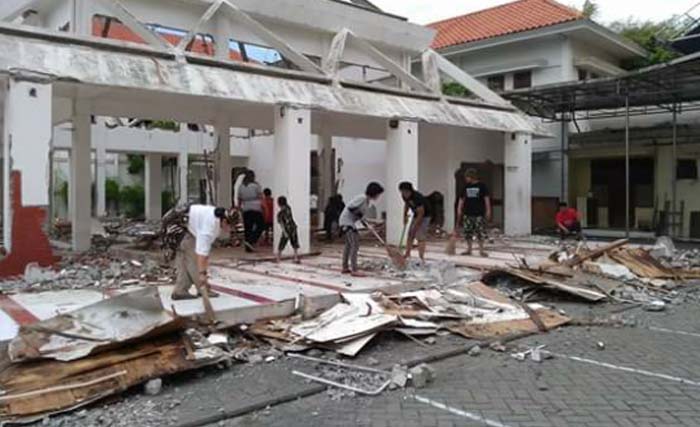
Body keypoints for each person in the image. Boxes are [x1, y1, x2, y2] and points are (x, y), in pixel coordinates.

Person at [172, 205, 233, 300]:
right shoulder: (209, 229)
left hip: (186, 225)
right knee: (194, 261)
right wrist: (202, 274)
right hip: (179, 227)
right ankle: (203, 289)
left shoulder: (217, 218)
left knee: (186, 259)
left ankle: (180, 290)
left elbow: (205, 252)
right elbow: (201, 255)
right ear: (224, 221)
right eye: (230, 227)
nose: (230, 230)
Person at [339, 182, 385, 274]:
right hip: (347, 223)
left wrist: (369, 225)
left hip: (349, 223)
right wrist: (362, 218)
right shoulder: (362, 198)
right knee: (355, 245)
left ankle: (345, 267)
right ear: (374, 193)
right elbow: (351, 208)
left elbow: (362, 218)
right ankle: (354, 270)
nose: (378, 196)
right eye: (378, 194)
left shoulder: (366, 202)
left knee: (349, 246)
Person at [456, 168, 491, 257]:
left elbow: (486, 199)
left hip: (479, 213)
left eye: (467, 177)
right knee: (468, 232)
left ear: (472, 177)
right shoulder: (466, 187)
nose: (466, 179)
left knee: (480, 232)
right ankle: (469, 249)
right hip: (467, 213)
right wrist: (459, 209)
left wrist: (488, 210)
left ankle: (481, 250)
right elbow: (461, 199)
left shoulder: (482, 186)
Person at [399, 182, 432, 263]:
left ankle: (421, 257)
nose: (404, 194)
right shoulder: (404, 196)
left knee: (420, 236)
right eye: (402, 192)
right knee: (410, 234)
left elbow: (421, 213)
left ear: (410, 191)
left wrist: (416, 227)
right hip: (416, 214)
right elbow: (406, 205)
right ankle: (407, 254)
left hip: (425, 215)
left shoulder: (417, 197)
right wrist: (405, 216)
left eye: (406, 192)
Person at [238, 170, 264, 252]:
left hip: (246, 208)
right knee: (261, 225)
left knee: (248, 228)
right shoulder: (256, 185)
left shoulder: (241, 186)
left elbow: (239, 198)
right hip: (256, 208)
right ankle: (252, 240)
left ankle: (248, 247)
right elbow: (260, 196)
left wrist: (239, 208)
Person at [276, 196, 300, 263]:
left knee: (282, 243)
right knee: (294, 242)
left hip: (287, 229)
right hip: (293, 227)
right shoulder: (288, 208)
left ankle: (278, 258)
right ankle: (295, 257)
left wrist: (284, 232)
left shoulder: (280, 214)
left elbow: (282, 224)